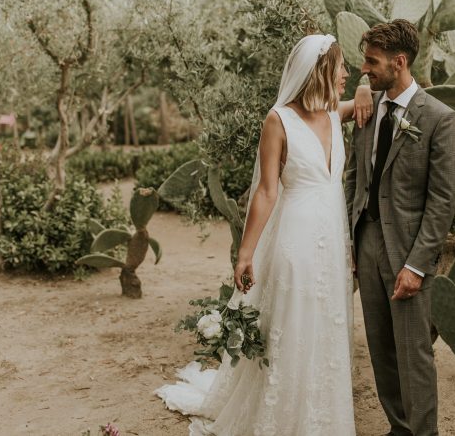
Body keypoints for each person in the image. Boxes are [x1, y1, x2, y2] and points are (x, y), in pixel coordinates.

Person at [156, 34, 373, 436]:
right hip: (296, 238)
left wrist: (363, 88)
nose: (347, 73)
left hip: (332, 239)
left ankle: (322, 414)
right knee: (293, 324)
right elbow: (267, 191)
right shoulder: (279, 120)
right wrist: (245, 254)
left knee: (328, 321)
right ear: (320, 72)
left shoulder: (331, 114)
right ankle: (285, 417)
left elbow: (364, 102)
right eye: (342, 67)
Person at [345, 19, 455, 436]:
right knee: (381, 349)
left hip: (408, 250)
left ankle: (422, 433)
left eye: (372, 62)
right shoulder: (366, 108)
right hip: (367, 241)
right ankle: (399, 428)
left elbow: (442, 201)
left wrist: (417, 264)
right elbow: (354, 178)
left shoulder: (440, 118)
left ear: (399, 62)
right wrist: (351, 243)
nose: (364, 69)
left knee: (413, 353)